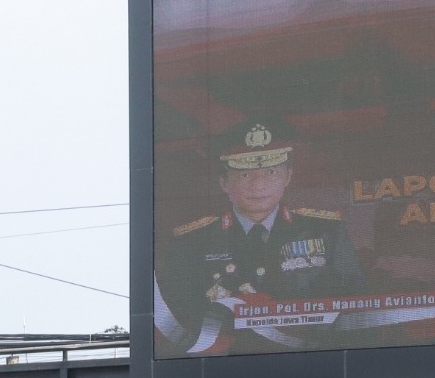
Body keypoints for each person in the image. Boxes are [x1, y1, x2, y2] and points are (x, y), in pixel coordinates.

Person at [154, 116, 365, 357]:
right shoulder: (191, 242)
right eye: (245, 175)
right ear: (224, 182)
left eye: (271, 172)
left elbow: (353, 304)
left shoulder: (326, 231)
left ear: (287, 178)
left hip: (313, 355)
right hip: (227, 360)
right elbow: (178, 314)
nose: (258, 185)